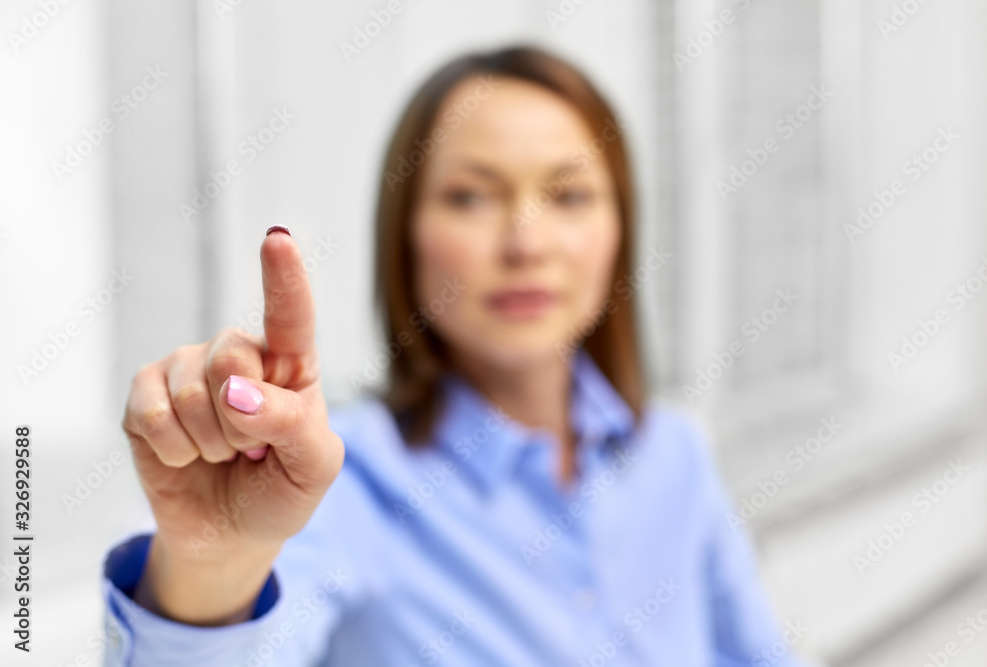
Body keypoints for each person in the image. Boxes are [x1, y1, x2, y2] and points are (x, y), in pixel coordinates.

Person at [100, 45, 806, 666]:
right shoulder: (337, 478)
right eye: (471, 196)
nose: (527, 243)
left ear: (620, 225)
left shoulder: (675, 455)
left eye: (570, 194)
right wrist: (213, 566)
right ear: (405, 234)